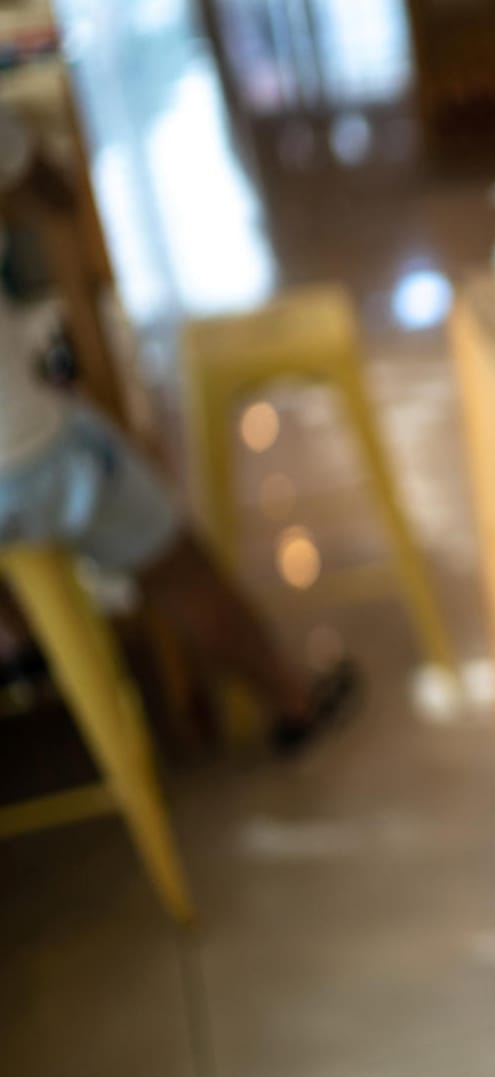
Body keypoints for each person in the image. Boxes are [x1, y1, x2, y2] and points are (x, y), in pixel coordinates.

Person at [0, 102, 352, 755]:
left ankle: (19, 635)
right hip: (28, 457)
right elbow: (55, 193)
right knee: (177, 565)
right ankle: (291, 697)